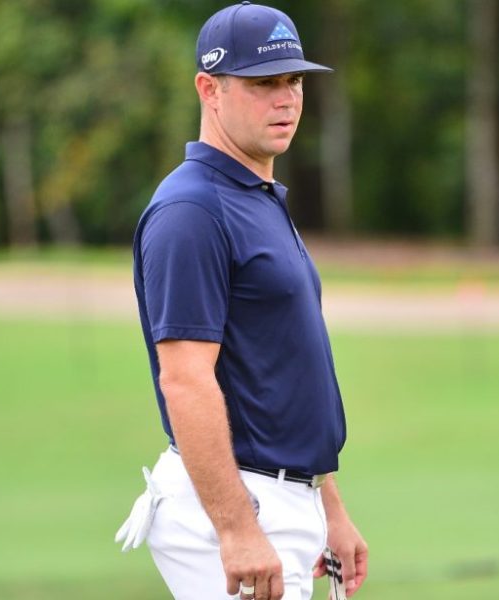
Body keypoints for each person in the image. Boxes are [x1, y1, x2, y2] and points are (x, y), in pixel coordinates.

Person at [114, 3, 368, 599]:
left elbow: (280, 373)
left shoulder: (255, 195)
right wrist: (237, 528)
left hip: (281, 498)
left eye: (294, 80)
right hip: (235, 507)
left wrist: (328, 504)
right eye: (263, 84)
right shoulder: (192, 211)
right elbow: (185, 380)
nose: (285, 99)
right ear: (210, 89)